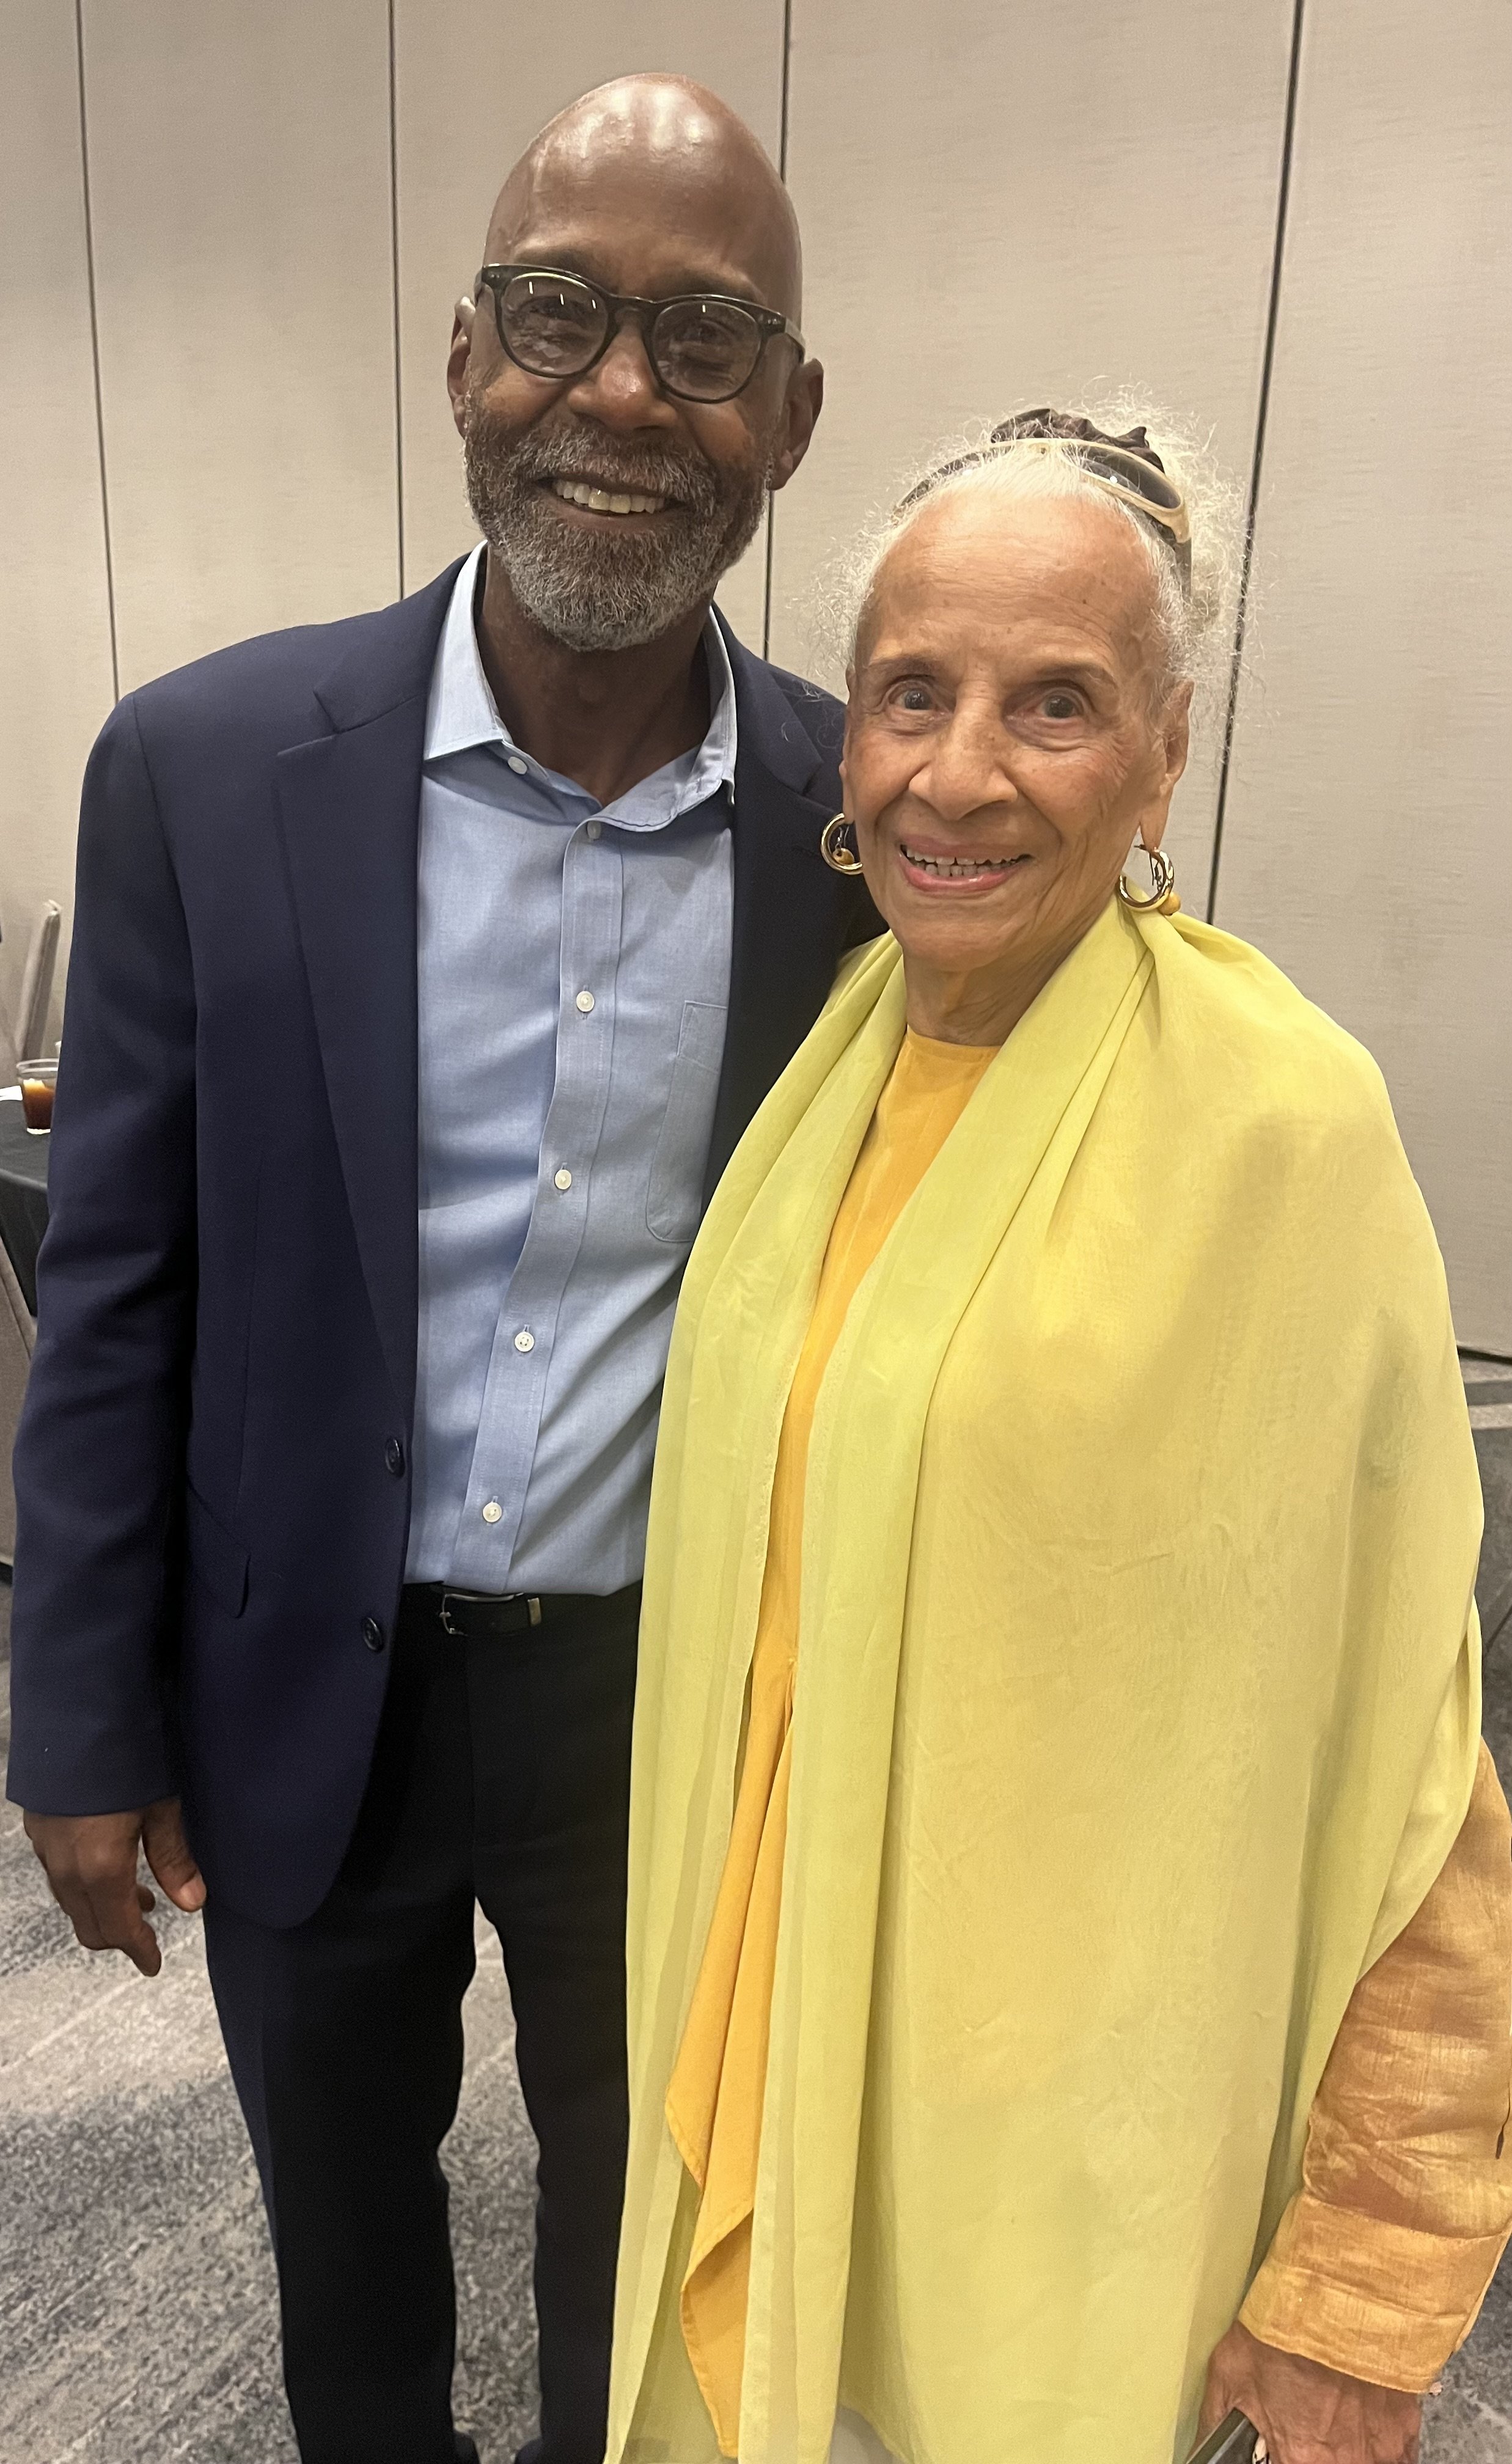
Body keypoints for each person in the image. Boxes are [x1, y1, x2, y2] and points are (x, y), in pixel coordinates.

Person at [7, 74, 879, 2464]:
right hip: (307, 1688)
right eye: (552, 315)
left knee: (659, 2245)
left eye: (704, 342)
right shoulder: (200, 767)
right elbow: (121, 1285)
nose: (619, 390)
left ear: (789, 422)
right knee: (348, 2261)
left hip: (681, 1715)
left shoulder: (864, 836)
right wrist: (74, 1714)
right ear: (463, 358)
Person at [606, 408, 1512, 2464]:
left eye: (1057, 706)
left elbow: (1409, 1754)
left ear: (1167, 752)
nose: (960, 772)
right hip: (771, 2050)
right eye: (911, 692)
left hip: (1065, 2171)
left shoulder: (1273, 1126)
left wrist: (1364, 2279)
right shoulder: (829, 1066)